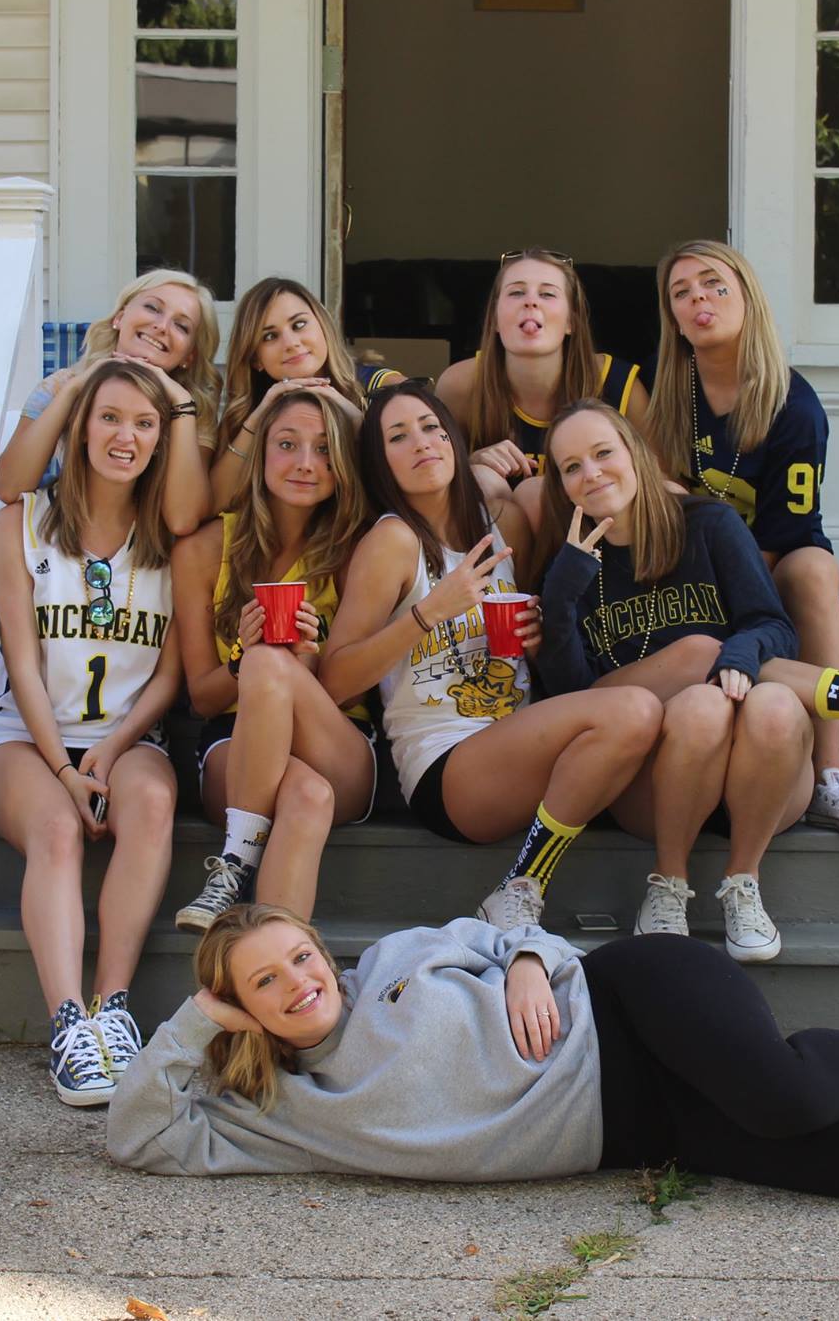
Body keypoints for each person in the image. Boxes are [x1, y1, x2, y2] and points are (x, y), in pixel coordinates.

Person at [107, 903, 839, 1195]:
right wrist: (195, 1022)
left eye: (299, 955)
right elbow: (133, 1137)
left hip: (632, 1000)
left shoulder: (394, 960)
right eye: (265, 984)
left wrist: (524, 961)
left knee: (784, 1097)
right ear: (239, 1010)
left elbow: (514, 932)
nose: (300, 982)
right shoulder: (275, 1115)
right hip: (645, 1127)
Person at [535, 402, 839, 959]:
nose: (591, 473)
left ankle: (744, 882)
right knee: (700, 689)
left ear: (634, 454)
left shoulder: (709, 524)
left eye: (603, 453)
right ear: (560, 484)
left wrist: (741, 654)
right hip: (653, 788)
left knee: (774, 705)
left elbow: (773, 626)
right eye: (571, 467)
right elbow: (571, 700)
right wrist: (559, 598)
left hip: (762, 777)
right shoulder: (568, 570)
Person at [320, 383, 663, 930]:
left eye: (431, 428)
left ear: (453, 440)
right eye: (398, 437)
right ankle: (521, 885)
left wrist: (537, 639)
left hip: (517, 738)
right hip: (446, 762)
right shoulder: (392, 542)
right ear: (380, 463)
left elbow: (537, 645)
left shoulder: (504, 524)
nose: (421, 443)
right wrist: (428, 613)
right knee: (633, 710)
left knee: (651, 715)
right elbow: (336, 681)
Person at [0, 361, 184, 1107]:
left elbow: (170, 673)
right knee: (58, 831)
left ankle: (112, 1009)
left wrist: (115, 745)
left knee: (153, 804)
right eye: (109, 417)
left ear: (161, 440)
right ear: (79, 427)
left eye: (144, 423)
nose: (125, 436)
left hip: (124, 738)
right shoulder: (22, 522)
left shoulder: (172, 541)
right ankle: (69, 1024)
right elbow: (22, 664)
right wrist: (65, 771)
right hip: (23, 735)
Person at [642, 240, 839, 836]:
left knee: (815, 569)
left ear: (748, 299)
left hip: (768, 563)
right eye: (682, 292)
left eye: (715, 284)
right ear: (673, 318)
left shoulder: (793, 405)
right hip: (689, 566)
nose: (699, 298)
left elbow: (785, 534)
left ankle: (829, 776)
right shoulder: (665, 392)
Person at [169, 386, 374, 933]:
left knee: (268, 665)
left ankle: (233, 866)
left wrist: (304, 660)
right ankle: (280, 962)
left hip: (335, 737)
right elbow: (202, 697)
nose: (306, 463)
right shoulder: (203, 550)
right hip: (234, 741)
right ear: (260, 454)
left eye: (325, 449)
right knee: (305, 793)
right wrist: (244, 659)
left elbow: (354, 691)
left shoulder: (357, 549)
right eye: (287, 444)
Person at [0, 269, 221, 535]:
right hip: (75, 530)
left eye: (181, 326)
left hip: (149, 544)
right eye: (153, 308)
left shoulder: (192, 408)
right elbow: (8, 488)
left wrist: (180, 403)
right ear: (119, 318)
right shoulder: (61, 385)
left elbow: (183, 520)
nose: (161, 326)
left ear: (189, 356)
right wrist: (73, 389)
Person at [436, 248, 647, 529]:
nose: (531, 302)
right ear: (495, 319)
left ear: (571, 321)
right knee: (481, 478)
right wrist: (471, 461)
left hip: (603, 533)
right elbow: (432, 482)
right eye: (516, 293)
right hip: (504, 544)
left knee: (535, 493)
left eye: (547, 294)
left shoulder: (618, 383)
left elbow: (662, 482)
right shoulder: (461, 384)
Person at [209, 276, 408, 504]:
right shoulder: (252, 411)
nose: (291, 343)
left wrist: (358, 424)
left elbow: (416, 481)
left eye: (299, 325)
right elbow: (215, 503)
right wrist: (254, 422)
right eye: (270, 336)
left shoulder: (381, 386)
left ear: (323, 325)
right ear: (256, 359)